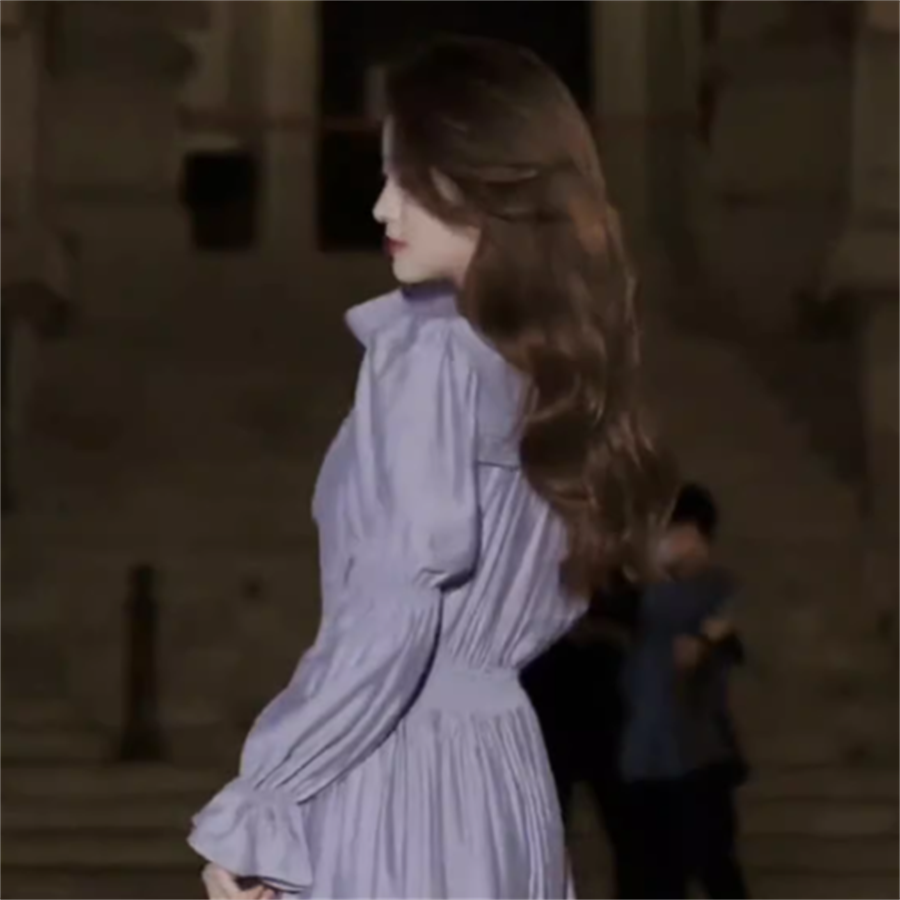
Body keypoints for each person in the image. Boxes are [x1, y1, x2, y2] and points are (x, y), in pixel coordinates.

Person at [189, 35, 675, 900]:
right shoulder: (546, 370)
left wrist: (266, 801)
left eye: (410, 180)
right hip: (503, 777)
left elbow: (393, 612)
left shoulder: (431, 357)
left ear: (492, 186)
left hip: (399, 774)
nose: (382, 206)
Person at [619, 483, 750, 900]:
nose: (666, 541)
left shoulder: (718, 588)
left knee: (713, 865)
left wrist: (706, 643)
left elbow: (731, 631)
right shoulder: (641, 594)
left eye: (674, 531)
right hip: (644, 760)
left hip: (697, 758)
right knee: (655, 879)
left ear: (696, 535)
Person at [522, 575, 639, 899]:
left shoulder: (610, 579)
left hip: (604, 724)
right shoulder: (530, 585)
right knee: (548, 837)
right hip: (551, 728)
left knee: (628, 833)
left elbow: (634, 622)